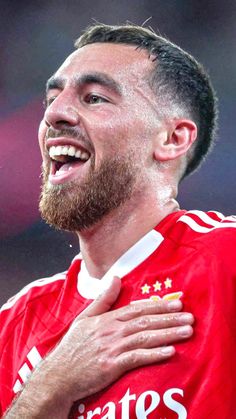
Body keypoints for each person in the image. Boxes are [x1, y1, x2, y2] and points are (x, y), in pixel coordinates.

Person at [0, 23, 235, 419]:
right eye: (52, 100)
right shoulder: (13, 325)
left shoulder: (226, 262)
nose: (55, 114)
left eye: (94, 98)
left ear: (173, 139)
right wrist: (48, 389)